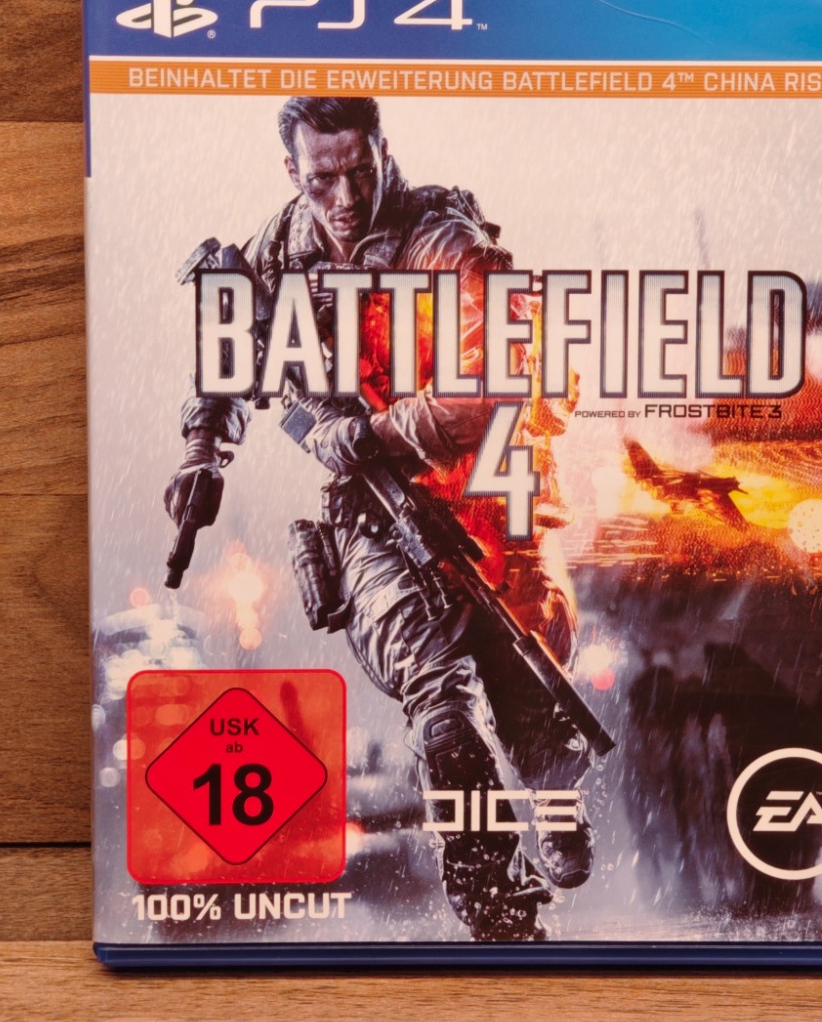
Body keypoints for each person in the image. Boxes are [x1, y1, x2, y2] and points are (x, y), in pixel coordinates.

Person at [164, 96, 593, 940]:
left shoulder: (444, 245)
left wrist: (371, 434)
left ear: (383, 153)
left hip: (486, 490)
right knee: (442, 711)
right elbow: (226, 359)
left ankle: (554, 792)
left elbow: (489, 386)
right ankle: (500, 912)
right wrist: (202, 453)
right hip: (374, 513)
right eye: (322, 178)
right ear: (293, 171)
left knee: (531, 685)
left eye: (359, 172)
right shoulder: (278, 252)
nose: (345, 197)